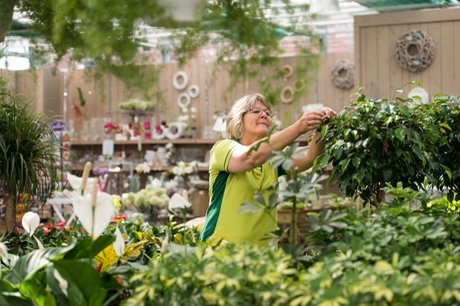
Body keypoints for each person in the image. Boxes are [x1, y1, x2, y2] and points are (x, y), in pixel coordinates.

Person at [200, 93, 337, 246]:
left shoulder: (273, 157)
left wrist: (322, 127)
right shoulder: (223, 148)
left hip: (265, 257)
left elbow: (309, 156)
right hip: (222, 253)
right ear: (239, 118)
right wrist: (298, 128)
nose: (264, 115)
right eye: (256, 111)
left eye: (267, 113)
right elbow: (248, 158)